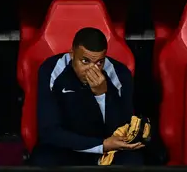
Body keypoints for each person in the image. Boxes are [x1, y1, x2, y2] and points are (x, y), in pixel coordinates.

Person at [30, 27, 145, 166]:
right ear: (72, 54)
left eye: (99, 62)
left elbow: (122, 128)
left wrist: (102, 94)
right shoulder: (51, 70)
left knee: (134, 161)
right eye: (85, 61)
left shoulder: (120, 73)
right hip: (66, 147)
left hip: (107, 148)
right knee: (43, 160)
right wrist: (101, 145)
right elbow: (49, 131)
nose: (92, 70)